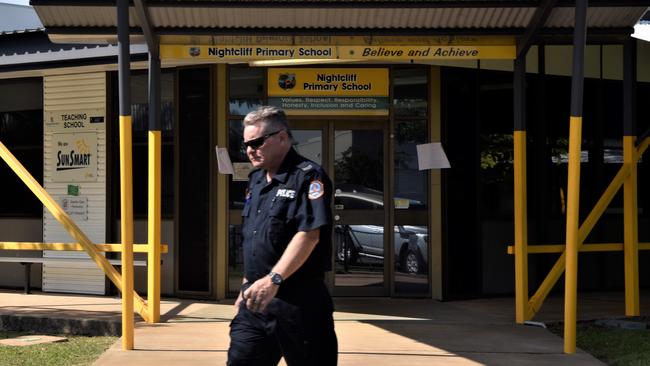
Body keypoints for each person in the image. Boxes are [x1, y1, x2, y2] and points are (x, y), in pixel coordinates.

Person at [227, 106, 338, 366]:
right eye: (246, 144)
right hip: (255, 302)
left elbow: (309, 234)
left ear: (282, 137)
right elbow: (255, 238)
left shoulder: (308, 176)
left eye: (257, 142)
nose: (250, 150)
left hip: (298, 303)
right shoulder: (255, 181)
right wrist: (246, 285)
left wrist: (273, 279)